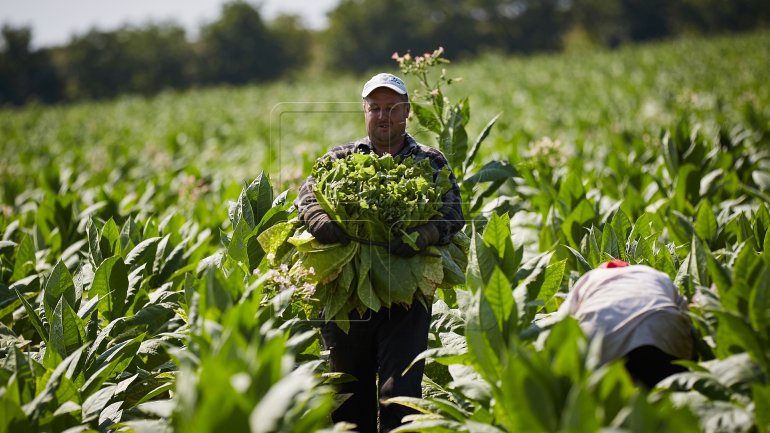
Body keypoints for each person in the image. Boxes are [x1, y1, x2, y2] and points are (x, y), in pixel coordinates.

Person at [295, 73, 464, 432]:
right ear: (364, 111)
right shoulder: (339, 157)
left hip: (406, 296)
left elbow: (454, 212)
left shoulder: (430, 161)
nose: (383, 116)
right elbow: (306, 195)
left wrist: (425, 233)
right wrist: (320, 220)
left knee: (399, 394)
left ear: (407, 112)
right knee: (348, 396)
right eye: (375, 108)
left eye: (392, 108)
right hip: (347, 294)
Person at [557, 259, 694, 388]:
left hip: (604, 341)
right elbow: (688, 316)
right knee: (669, 397)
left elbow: (560, 324)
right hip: (661, 330)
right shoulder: (652, 274)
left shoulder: (589, 279)